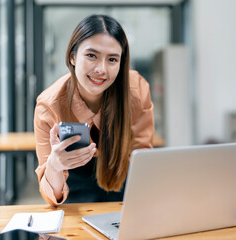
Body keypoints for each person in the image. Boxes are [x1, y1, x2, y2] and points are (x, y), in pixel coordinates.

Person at [34, 14, 154, 206]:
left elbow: (143, 160)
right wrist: (54, 167)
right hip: (74, 192)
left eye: (112, 59)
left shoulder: (136, 90)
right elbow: (52, 198)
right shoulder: (49, 106)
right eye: (91, 56)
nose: (101, 69)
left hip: (123, 186)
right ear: (72, 57)